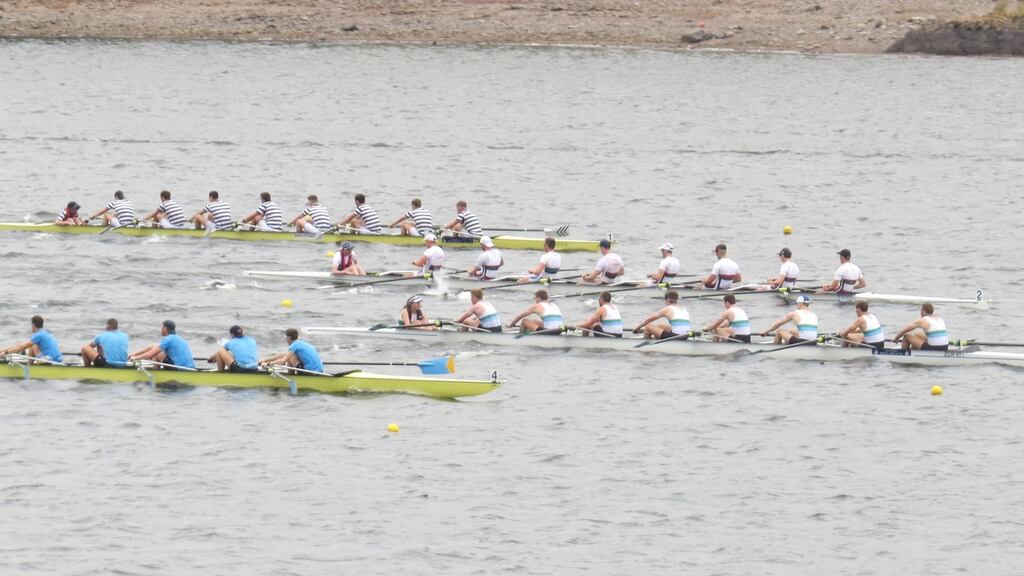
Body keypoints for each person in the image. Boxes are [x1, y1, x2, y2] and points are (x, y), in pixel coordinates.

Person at [128, 320, 195, 369]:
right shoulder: (177, 338)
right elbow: (153, 347)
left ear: (165, 329)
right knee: (155, 346)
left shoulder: (168, 339)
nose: (161, 329)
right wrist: (134, 355)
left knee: (156, 353)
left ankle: (156, 374)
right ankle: (156, 371)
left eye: (162, 327)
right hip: (190, 367)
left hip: (180, 369)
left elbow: (150, 355)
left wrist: (136, 358)